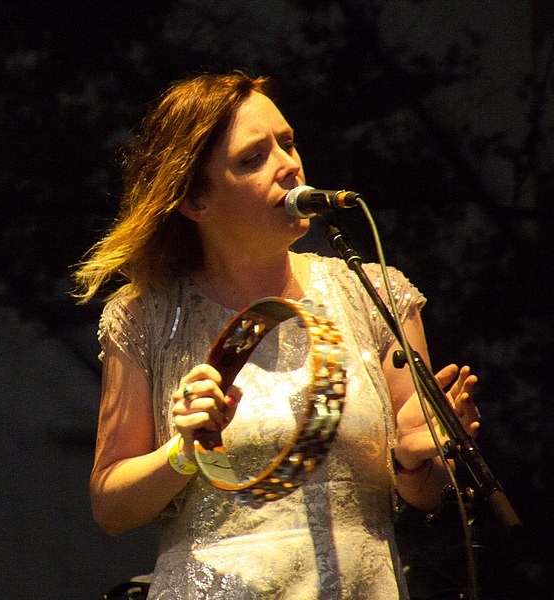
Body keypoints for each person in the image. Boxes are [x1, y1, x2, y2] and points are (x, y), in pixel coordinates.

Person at [72, 72, 480, 599]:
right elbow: (111, 507)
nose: (288, 165)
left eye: (287, 143)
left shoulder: (377, 294)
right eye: (253, 158)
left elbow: (422, 496)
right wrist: (182, 452)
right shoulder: (145, 315)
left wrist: (414, 458)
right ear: (195, 202)